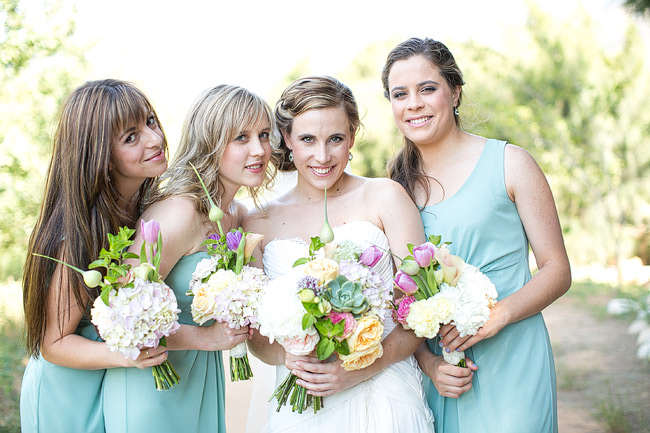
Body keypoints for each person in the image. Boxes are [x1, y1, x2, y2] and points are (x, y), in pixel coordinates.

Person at [382, 37, 572, 433]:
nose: (413, 103)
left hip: (513, 358)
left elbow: (557, 270)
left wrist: (497, 315)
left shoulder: (510, 163)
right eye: (400, 94)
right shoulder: (393, 189)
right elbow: (400, 300)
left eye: (427, 88)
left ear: (455, 92)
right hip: (443, 374)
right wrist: (432, 366)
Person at [244, 75, 435, 433]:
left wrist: (360, 368)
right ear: (286, 138)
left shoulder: (386, 197)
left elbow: (420, 311)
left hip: (384, 394)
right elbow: (258, 339)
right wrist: (294, 356)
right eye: (307, 140)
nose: (322, 156)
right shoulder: (258, 220)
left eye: (335, 139)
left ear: (352, 135)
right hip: (303, 399)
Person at [101, 84, 276, 433]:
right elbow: (119, 313)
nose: (259, 149)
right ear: (210, 142)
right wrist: (207, 339)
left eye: (264, 135)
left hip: (200, 378)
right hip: (150, 384)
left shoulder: (236, 216)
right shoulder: (178, 212)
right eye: (241, 137)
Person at [20, 79, 170, 433]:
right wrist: (128, 353)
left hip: (109, 386)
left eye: (150, 121)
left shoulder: (146, 209)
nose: (154, 138)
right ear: (98, 154)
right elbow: (53, 342)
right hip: (65, 393)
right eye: (131, 137)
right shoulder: (77, 235)